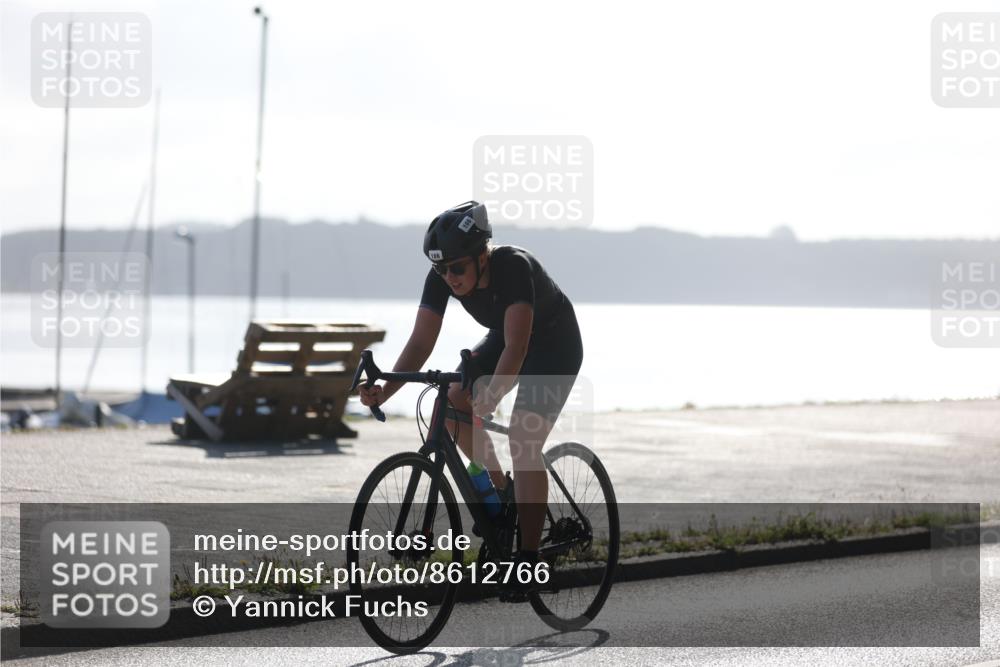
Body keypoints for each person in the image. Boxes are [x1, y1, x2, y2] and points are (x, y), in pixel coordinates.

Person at [357, 200, 584, 592]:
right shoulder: (443, 276)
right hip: (509, 339)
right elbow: (420, 342)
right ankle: (501, 493)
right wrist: (385, 390)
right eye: (440, 268)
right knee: (451, 406)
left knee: (522, 439)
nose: (449, 277)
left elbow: (517, 347)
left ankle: (527, 565)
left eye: (456, 267)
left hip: (553, 344)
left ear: (482, 255)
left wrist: (494, 392)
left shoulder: (513, 267)